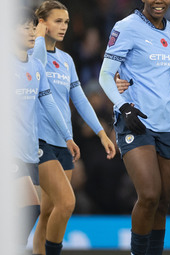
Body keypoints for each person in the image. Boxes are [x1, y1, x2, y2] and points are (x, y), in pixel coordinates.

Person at [32, 1, 116, 255]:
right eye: (57, 21)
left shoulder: (66, 60)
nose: (64, 27)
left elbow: (79, 98)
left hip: (63, 142)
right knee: (67, 202)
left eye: (66, 22)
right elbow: (37, 64)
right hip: (39, 142)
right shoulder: (32, 55)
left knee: (48, 211)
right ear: (42, 24)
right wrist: (37, 36)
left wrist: (101, 133)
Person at [98, 1, 170, 254]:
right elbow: (105, 75)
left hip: (168, 123)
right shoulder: (126, 27)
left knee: (164, 202)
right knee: (149, 195)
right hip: (135, 119)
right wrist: (124, 106)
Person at [12, 7, 79, 253]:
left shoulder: (36, 67)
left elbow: (49, 102)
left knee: (39, 210)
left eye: (33, 27)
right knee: (31, 209)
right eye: (25, 28)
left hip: (30, 150)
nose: (32, 32)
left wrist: (68, 136)